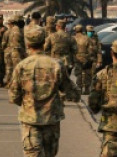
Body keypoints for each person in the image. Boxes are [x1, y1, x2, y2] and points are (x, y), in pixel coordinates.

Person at [9, 27, 80, 157]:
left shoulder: (22, 66)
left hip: (30, 119)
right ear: (44, 43)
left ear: (28, 44)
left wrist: (27, 103)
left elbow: (14, 95)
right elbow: (70, 91)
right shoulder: (56, 64)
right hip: (51, 119)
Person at [4, 16, 26, 85]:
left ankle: (9, 83)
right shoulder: (17, 30)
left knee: (10, 68)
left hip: (11, 51)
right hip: (16, 52)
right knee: (17, 69)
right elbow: (17, 44)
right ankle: (15, 84)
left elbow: (4, 43)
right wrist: (23, 52)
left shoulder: (11, 30)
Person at [73, 24, 93, 93]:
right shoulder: (87, 38)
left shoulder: (73, 38)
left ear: (75, 30)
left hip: (76, 57)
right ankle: (87, 89)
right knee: (87, 73)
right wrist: (88, 57)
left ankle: (79, 88)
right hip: (85, 58)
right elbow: (90, 50)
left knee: (78, 73)